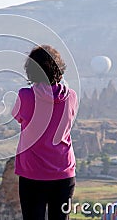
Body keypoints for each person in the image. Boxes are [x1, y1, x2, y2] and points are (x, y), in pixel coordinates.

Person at [12, 45, 78, 220]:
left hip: (33, 173)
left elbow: (17, 116)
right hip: (64, 172)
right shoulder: (71, 96)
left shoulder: (25, 96)